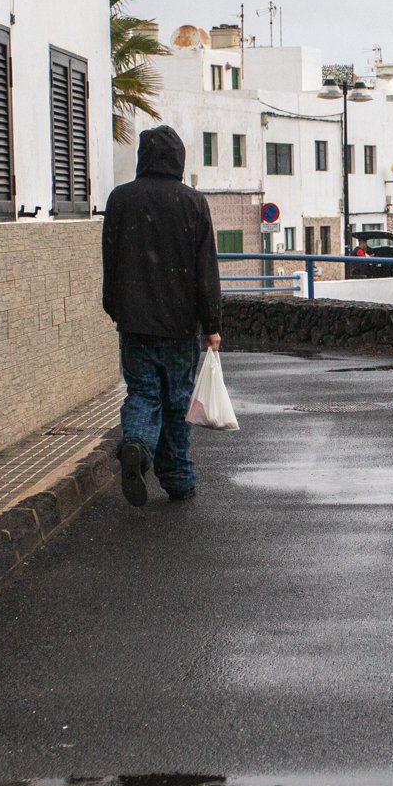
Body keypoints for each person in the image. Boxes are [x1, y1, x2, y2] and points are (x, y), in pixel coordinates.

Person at [101, 125, 222, 506]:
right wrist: (212, 324)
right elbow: (206, 270)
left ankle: (136, 443)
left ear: (143, 157)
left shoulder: (121, 199)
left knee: (142, 392)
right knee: (175, 401)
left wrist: (115, 306)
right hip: (179, 324)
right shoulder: (192, 202)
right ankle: (178, 478)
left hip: (135, 321)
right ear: (179, 160)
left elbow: (111, 258)